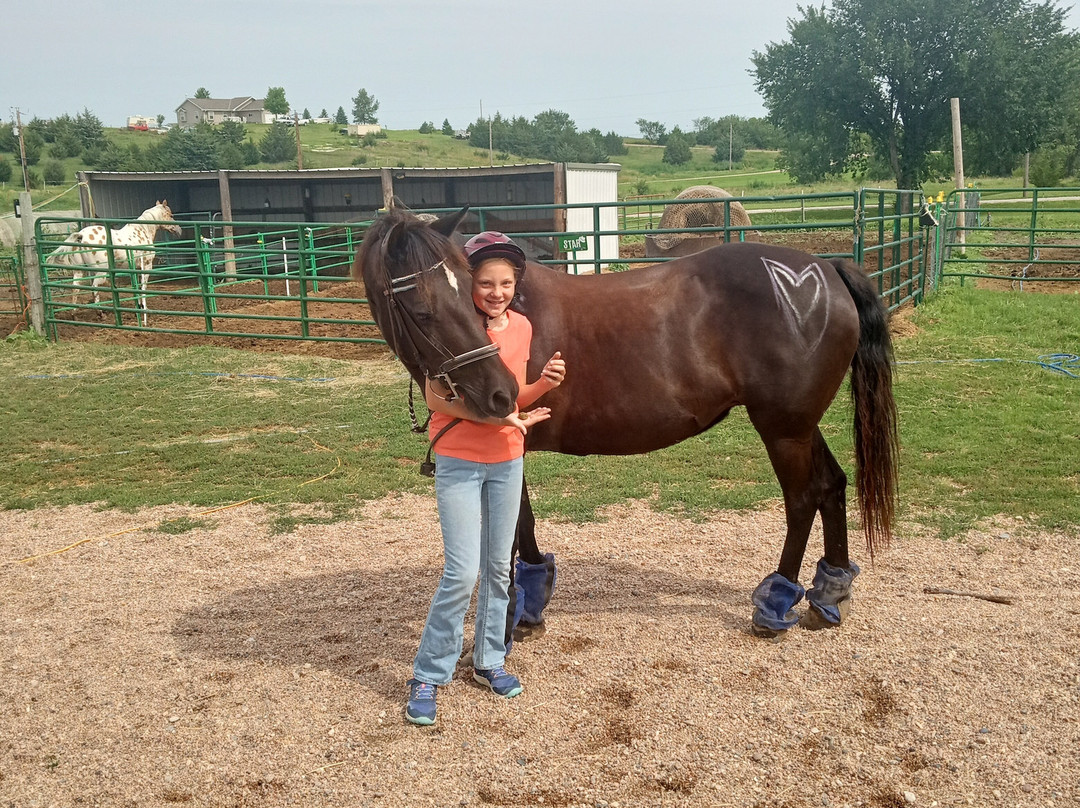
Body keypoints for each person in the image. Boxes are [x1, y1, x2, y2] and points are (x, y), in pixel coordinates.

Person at [405, 231, 567, 726]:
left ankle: (489, 660)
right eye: (485, 282)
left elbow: (507, 395)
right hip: (457, 456)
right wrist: (501, 422)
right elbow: (436, 399)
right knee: (461, 571)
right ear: (468, 284)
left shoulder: (520, 326)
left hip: (507, 459)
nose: (495, 291)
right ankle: (428, 673)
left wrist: (542, 385)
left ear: (515, 285)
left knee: (499, 567)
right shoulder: (454, 325)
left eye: (505, 282)